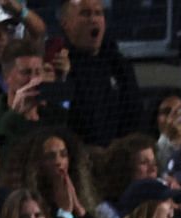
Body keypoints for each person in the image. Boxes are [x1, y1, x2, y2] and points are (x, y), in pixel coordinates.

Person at [57, 0, 140, 149]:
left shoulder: (118, 64)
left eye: (98, 13)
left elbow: (134, 113)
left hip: (117, 158)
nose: (93, 19)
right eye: (85, 13)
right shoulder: (58, 64)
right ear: (65, 24)